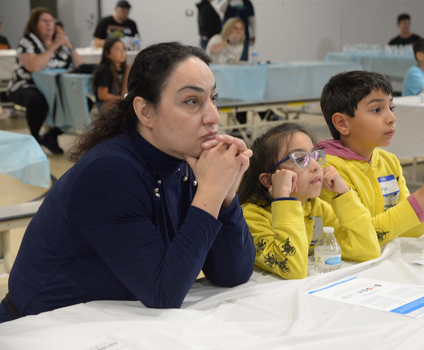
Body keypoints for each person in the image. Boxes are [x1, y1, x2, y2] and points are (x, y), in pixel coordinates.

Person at [0, 41, 255, 323]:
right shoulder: (109, 173)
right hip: (42, 329)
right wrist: (211, 191)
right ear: (145, 112)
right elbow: (164, 293)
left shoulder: (185, 161)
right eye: (192, 101)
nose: (214, 117)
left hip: (108, 325)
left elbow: (233, 273)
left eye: (213, 98)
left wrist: (227, 195)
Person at [318, 71, 424, 246]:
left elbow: (407, 230)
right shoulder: (328, 171)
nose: (392, 118)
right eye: (376, 110)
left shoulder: (388, 161)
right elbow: (365, 238)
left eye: (391, 108)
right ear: (342, 123)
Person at [237, 123, 379, 279]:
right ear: (269, 181)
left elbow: (368, 249)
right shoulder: (252, 217)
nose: (316, 166)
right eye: (300, 158)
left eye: (315, 156)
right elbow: (293, 270)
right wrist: (284, 200)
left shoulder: (317, 208)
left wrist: (343, 195)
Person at [6, 7, 84, 154]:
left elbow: (81, 65)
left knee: (84, 100)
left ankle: (51, 136)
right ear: (35, 24)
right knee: (37, 100)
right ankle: (34, 139)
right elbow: (34, 66)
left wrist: (70, 48)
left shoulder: (62, 41)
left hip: (57, 90)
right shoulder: (28, 40)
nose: (49, 24)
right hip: (26, 86)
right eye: (44, 21)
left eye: (51, 21)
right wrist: (53, 47)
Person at [92, 38, 129, 110]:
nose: (122, 52)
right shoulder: (105, 69)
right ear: (107, 54)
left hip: (119, 101)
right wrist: (121, 99)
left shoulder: (124, 69)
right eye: (117, 49)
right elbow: (102, 95)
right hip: (106, 104)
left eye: (123, 49)